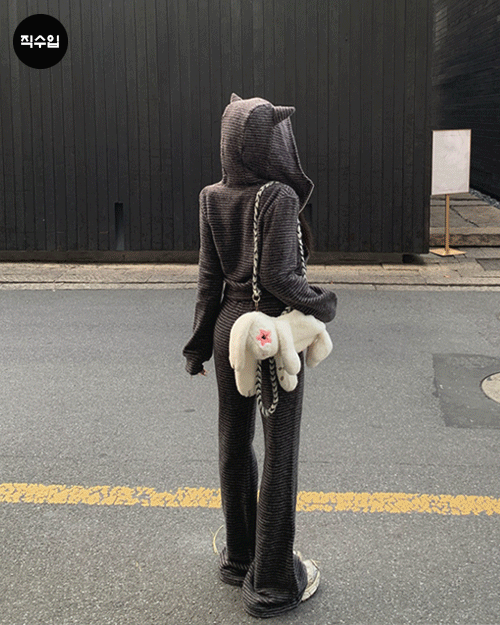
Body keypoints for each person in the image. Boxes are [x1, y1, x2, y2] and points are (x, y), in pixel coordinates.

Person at [182, 93, 337, 618]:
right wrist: (325, 303)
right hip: (271, 336)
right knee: (280, 453)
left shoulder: (212, 196)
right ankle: (272, 582)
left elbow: (208, 280)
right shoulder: (279, 197)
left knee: (233, 441)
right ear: (268, 143)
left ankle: (239, 557)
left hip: (229, 329)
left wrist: (197, 346)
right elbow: (279, 278)